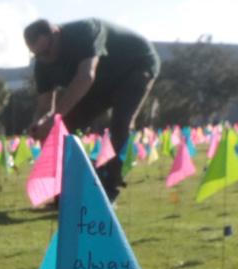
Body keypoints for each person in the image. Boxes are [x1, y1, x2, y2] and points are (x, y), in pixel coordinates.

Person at [24, 18, 159, 202]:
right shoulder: (43, 64)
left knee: (120, 123)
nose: (45, 59)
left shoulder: (84, 32)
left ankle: (109, 187)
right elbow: (44, 106)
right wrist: (39, 125)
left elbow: (86, 77)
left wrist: (54, 117)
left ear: (56, 33)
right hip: (100, 84)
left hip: (134, 67)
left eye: (47, 51)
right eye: (38, 55)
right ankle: (66, 189)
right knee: (62, 126)